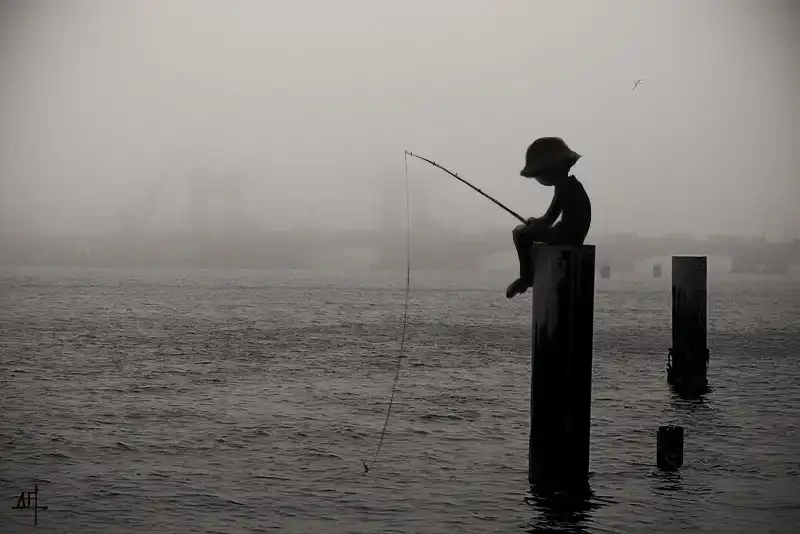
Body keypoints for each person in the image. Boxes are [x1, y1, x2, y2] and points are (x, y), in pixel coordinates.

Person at [506, 137, 592, 298]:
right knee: (525, 232)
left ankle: (526, 278)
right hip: (572, 234)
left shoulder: (564, 188)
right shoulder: (571, 185)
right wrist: (536, 223)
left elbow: (548, 220)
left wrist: (533, 224)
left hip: (568, 236)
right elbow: (549, 219)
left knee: (520, 234)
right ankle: (527, 277)